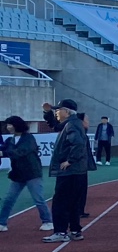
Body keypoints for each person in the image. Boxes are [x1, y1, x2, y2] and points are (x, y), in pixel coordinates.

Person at [46, 99, 92, 242]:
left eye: (58, 110)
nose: (56, 113)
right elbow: (55, 125)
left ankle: (60, 232)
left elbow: (78, 144)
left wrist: (70, 160)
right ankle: (75, 231)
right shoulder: (72, 123)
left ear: (66, 111)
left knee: (60, 202)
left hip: (69, 171)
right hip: (77, 171)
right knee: (73, 202)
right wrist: (47, 113)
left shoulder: (71, 124)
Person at [0, 116, 54, 233]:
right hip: (17, 174)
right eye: (7, 125)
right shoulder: (10, 140)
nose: (8, 127)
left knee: (38, 199)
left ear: (17, 125)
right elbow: (4, 149)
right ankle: (2, 223)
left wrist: (3, 153)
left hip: (32, 173)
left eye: (10, 124)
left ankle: (47, 221)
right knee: (9, 199)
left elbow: (20, 152)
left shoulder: (29, 138)